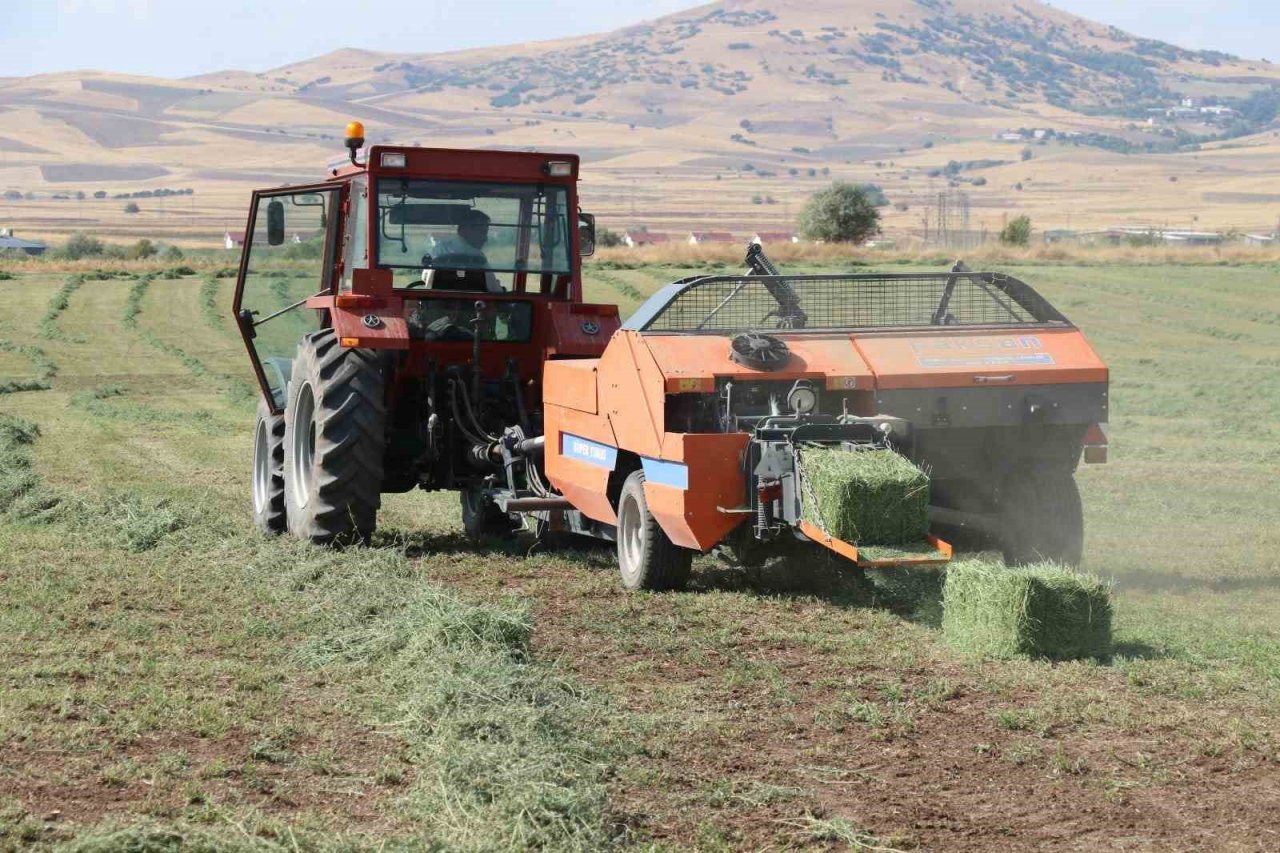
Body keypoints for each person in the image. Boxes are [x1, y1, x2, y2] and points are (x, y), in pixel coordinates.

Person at [426, 208, 502, 293]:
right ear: (465, 229)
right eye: (481, 231)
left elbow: (427, 280)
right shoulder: (477, 258)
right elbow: (495, 290)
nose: (485, 238)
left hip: (436, 302)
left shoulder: (439, 249)